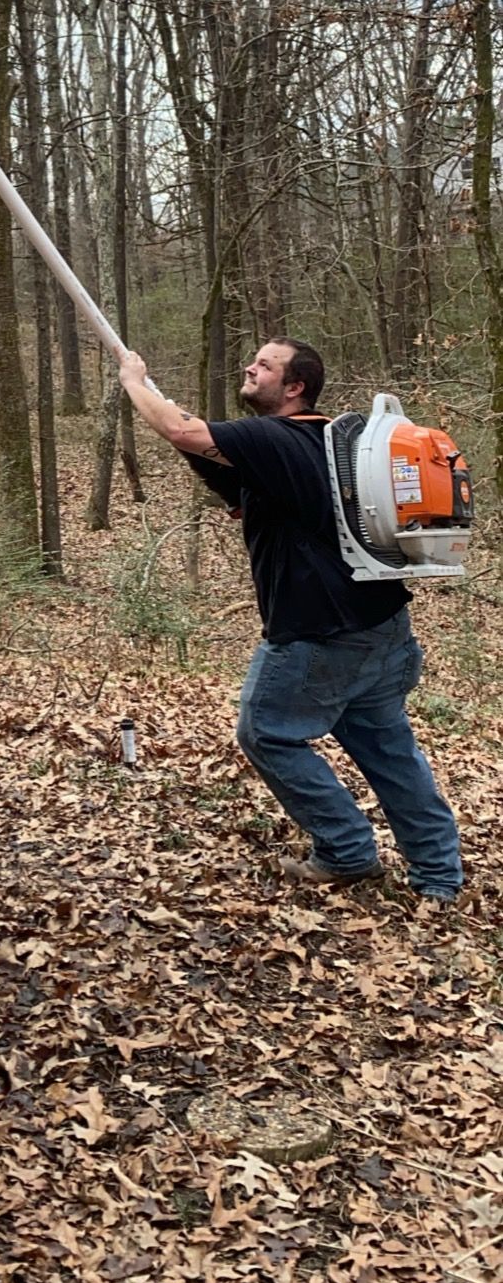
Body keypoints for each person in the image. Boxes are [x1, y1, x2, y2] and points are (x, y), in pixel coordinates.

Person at [117, 338, 463, 903]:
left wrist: (134, 381)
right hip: (383, 628)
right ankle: (439, 878)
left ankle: (347, 851)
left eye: (265, 365)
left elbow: (184, 432)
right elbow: (228, 478)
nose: (250, 367)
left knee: (266, 733)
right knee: (388, 750)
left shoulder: (275, 435)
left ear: (294, 387)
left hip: (320, 635)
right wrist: (168, 410)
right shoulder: (325, 444)